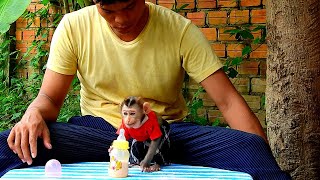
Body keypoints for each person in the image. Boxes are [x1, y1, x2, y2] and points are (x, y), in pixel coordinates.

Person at [0, 0, 291, 179]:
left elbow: (227, 101)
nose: (121, 19)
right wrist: (33, 113)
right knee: (11, 144)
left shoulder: (180, 30)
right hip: (101, 135)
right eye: (108, 10)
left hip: (165, 136)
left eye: (129, 6)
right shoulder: (74, 27)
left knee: (250, 147)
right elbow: (50, 98)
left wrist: (256, 151)